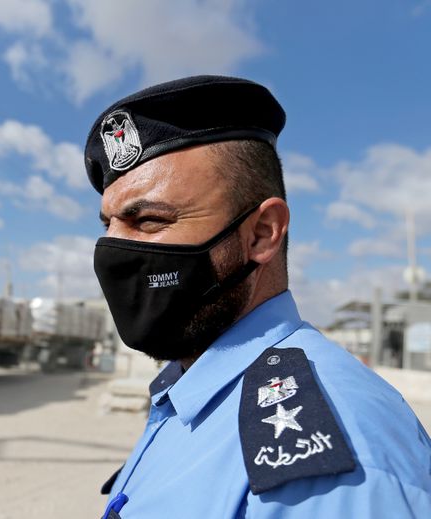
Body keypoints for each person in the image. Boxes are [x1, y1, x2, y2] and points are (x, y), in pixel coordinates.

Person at [85, 75, 431, 518]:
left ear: (262, 234)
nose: (113, 251)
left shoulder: (332, 451)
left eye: (149, 220)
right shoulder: (189, 390)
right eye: (107, 226)